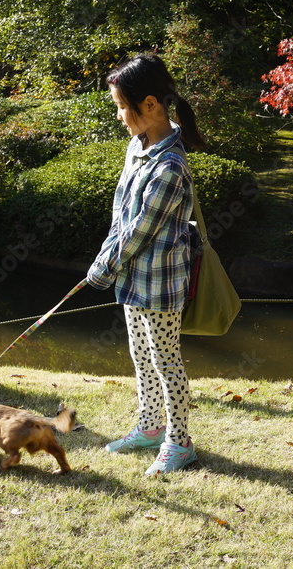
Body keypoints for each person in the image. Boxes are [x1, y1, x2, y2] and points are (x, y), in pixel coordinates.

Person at [86, 53, 205, 475]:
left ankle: (179, 442)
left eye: (123, 105)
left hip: (160, 281)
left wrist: (102, 269)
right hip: (132, 277)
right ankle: (150, 427)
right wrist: (104, 259)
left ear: (151, 104)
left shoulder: (170, 166)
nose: (120, 115)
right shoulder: (139, 146)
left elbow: (141, 231)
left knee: (165, 360)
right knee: (140, 353)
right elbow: (120, 218)